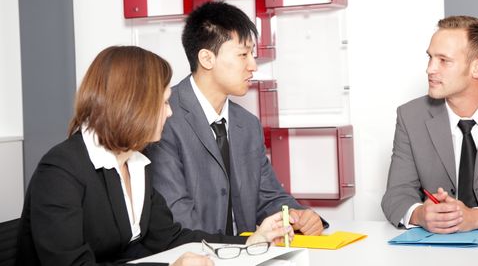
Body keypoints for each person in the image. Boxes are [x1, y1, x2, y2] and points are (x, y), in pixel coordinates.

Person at [16, 46, 293, 266]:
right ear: (132, 106)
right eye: (162, 103)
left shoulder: (136, 164)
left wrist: (247, 242)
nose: (170, 112)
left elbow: (172, 237)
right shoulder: (60, 172)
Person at [146, 1, 325, 237]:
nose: (253, 65)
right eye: (243, 54)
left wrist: (297, 215)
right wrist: (240, 250)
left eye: (252, 54)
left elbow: (268, 195)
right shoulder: (164, 119)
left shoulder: (248, 125)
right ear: (207, 59)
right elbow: (176, 219)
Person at [381, 15, 478, 234]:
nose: (430, 69)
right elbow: (396, 194)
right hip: (435, 251)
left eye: (443, 60)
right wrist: (420, 214)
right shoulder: (410, 116)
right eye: (430, 58)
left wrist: (476, 218)